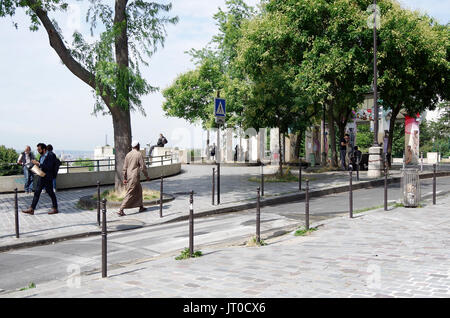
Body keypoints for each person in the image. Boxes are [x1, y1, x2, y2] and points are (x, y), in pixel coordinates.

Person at [22, 143, 58, 215]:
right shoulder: (41, 156)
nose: (38, 151)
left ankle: (55, 208)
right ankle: (32, 209)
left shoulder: (50, 155)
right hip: (41, 176)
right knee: (37, 192)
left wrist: (38, 164)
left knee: (50, 192)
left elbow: (49, 167)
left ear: (44, 149)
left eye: (39, 149)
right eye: (37, 149)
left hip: (48, 177)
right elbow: (42, 166)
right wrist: (35, 165)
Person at [117, 141, 151, 217]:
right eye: (139, 145)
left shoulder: (128, 154)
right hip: (134, 176)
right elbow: (143, 167)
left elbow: (124, 168)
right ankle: (121, 210)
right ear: (137, 146)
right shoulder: (138, 154)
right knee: (130, 192)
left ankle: (141, 206)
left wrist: (124, 178)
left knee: (139, 190)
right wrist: (147, 176)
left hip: (129, 176)